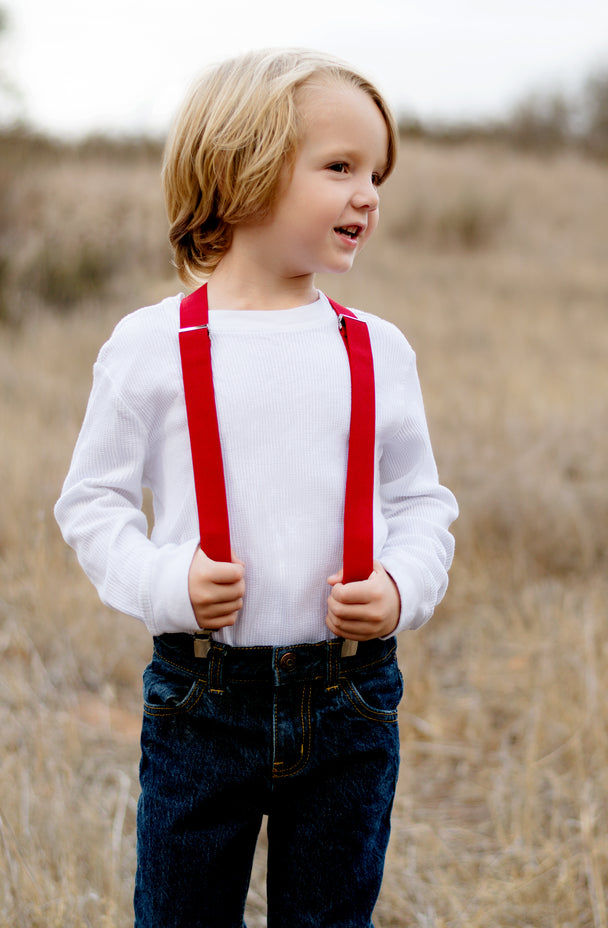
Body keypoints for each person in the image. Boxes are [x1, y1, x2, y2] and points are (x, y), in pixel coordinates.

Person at [55, 48, 458, 928]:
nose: (368, 195)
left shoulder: (377, 349)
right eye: (341, 167)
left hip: (350, 700)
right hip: (202, 700)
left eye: (376, 173)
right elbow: (92, 503)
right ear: (243, 171)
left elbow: (421, 502)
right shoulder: (150, 344)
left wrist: (399, 588)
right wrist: (169, 584)